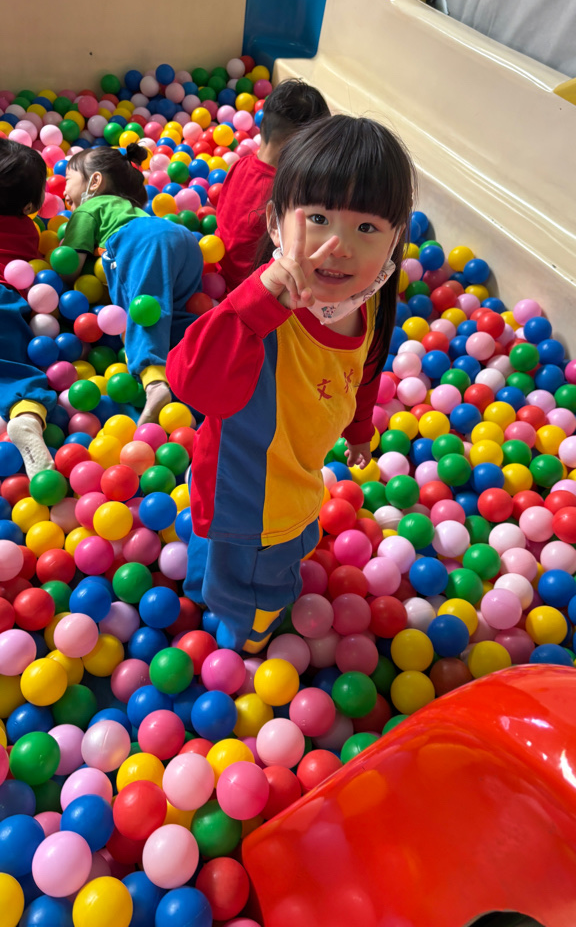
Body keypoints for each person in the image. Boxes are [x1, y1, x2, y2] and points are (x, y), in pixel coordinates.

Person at [167, 114, 414, 653]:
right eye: (319, 218)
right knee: (254, 581)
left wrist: (359, 431)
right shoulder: (264, 315)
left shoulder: (367, 303)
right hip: (250, 497)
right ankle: (247, 639)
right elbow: (191, 382)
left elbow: (364, 374)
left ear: (396, 240)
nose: (339, 246)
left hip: (298, 478)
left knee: (236, 551)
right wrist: (258, 302)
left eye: (367, 229)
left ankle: (202, 587)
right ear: (277, 223)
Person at [63, 143, 204, 425]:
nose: (63, 191)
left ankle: (154, 382)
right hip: (184, 240)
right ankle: (198, 389)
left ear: (94, 181)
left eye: (67, 180)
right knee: (173, 315)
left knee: (141, 308)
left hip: (138, 240)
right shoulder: (131, 208)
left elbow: (70, 265)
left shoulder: (88, 208)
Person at [217, 78, 329, 293]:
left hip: (220, 275)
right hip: (255, 290)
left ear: (262, 126)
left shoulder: (240, 165)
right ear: (302, 146)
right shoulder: (290, 193)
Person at [0, 139, 61, 479]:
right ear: (29, 206)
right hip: (4, 299)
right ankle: (25, 416)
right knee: (15, 372)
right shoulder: (28, 231)